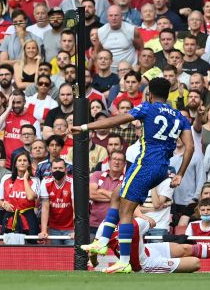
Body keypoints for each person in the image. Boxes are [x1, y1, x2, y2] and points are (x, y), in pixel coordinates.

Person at [73, 77, 194, 273]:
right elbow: (190, 146)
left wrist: (86, 127)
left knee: (126, 211)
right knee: (117, 195)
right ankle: (102, 242)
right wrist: (180, 173)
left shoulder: (148, 108)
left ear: (150, 94)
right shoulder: (180, 117)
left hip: (145, 163)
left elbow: (117, 119)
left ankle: (125, 261)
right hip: (162, 168)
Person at [92, 217, 210, 273]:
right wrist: (93, 258)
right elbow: (94, 251)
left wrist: (143, 216)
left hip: (147, 250)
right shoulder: (105, 226)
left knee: (185, 248)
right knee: (195, 263)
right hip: (146, 264)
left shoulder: (136, 222)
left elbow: (151, 222)